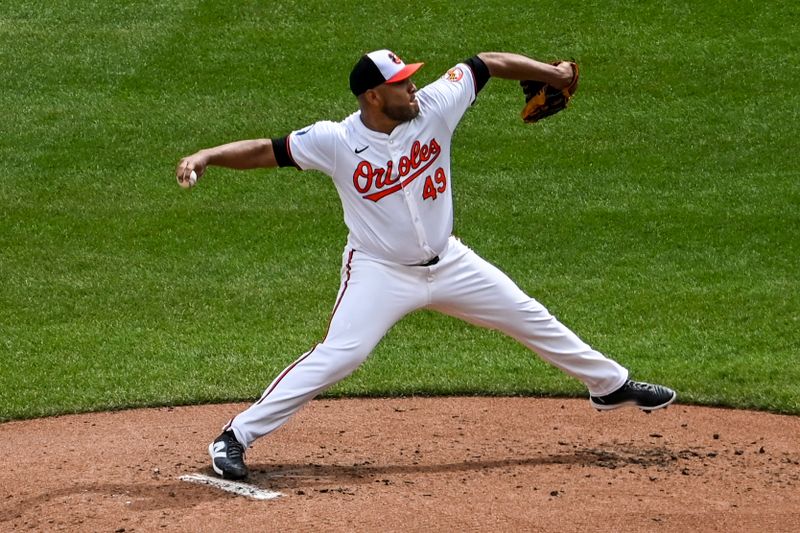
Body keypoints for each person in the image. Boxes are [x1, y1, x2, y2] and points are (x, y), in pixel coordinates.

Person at [176, 50, 676, 480]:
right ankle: (234, 437)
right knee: (341, 354)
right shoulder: (335, 140)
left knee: (527, 313)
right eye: (401, 83)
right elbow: (268, 151)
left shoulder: (435, 105)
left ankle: (609, 386)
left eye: (411, 79)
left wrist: (554, 74)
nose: (414, 87)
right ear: (374, 96)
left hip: (450, 261)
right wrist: (206, 155)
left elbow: (486, 64)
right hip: (379, 271)